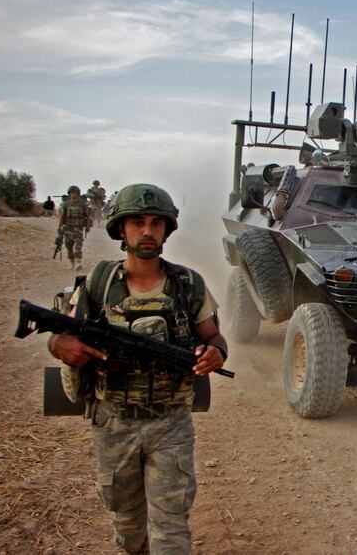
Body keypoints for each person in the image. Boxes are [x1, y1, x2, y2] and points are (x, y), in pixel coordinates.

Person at [47, 183, 228, 554]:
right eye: (138, 223)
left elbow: (215, 338)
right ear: (121, 230)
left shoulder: (188, 285)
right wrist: (60, 346)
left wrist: (216, 354)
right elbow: (59, 339)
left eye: (156, 224)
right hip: (114, 422)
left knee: (171, 526)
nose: (148, 231)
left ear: (166, 230)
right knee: (128, 526)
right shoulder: (99, 283)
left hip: (170, 423)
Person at [59, 185, 91, 270]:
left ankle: (78, 263)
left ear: (78, 194)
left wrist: (88, 226)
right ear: (69, 194)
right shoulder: (65, 204)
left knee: (78, 246)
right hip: (68, 228)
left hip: (78, 228)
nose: (74, 194)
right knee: (68, 246)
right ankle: (72, 264)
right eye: (72, 192)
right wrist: (59, 227)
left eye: (76, 193)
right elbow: (62, 216)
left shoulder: (82, 204)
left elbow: (88, 216)